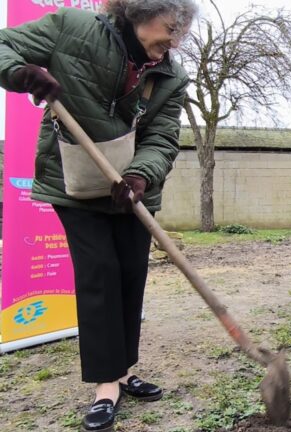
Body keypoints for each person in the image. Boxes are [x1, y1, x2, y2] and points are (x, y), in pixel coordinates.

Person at [0, 1, 197, 430]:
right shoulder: (73, 28)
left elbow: (162, 136)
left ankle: (125, 369)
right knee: (100, 273)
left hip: (129, 188)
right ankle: (106, 384)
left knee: (130, 274)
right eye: (170, 27)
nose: (174, 39)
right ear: (139, 13)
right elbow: (3, 46)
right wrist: (21, 73)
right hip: (74, 181)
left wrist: (141, 177)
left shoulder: (170, 75)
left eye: (181, 32)